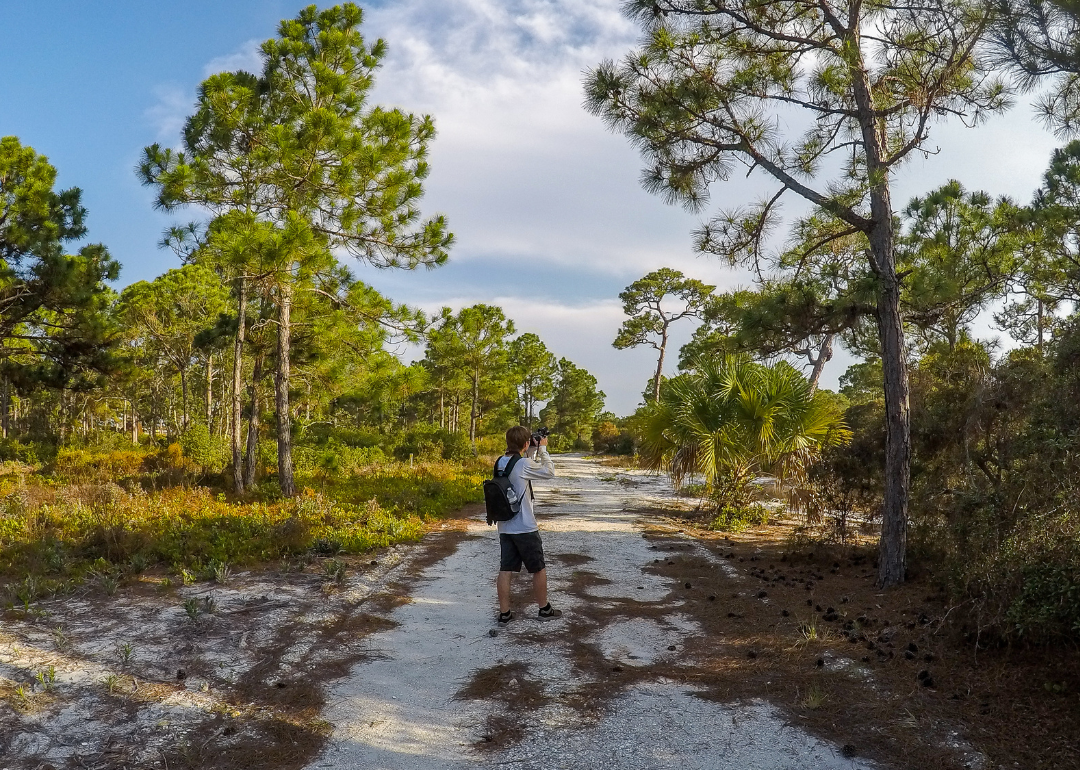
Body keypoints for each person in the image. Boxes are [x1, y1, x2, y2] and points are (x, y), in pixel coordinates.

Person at [495, 425, 560, 624]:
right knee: (538, 568)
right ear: (524, 444)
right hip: (525, 527)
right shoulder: (523, 464)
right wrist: (543, 450)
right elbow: (549, 472)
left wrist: (529, 450)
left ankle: (504, 613)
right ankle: (544, 609)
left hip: (505, 526)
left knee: (506, 569)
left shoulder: (500, 462)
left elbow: (521, 468)